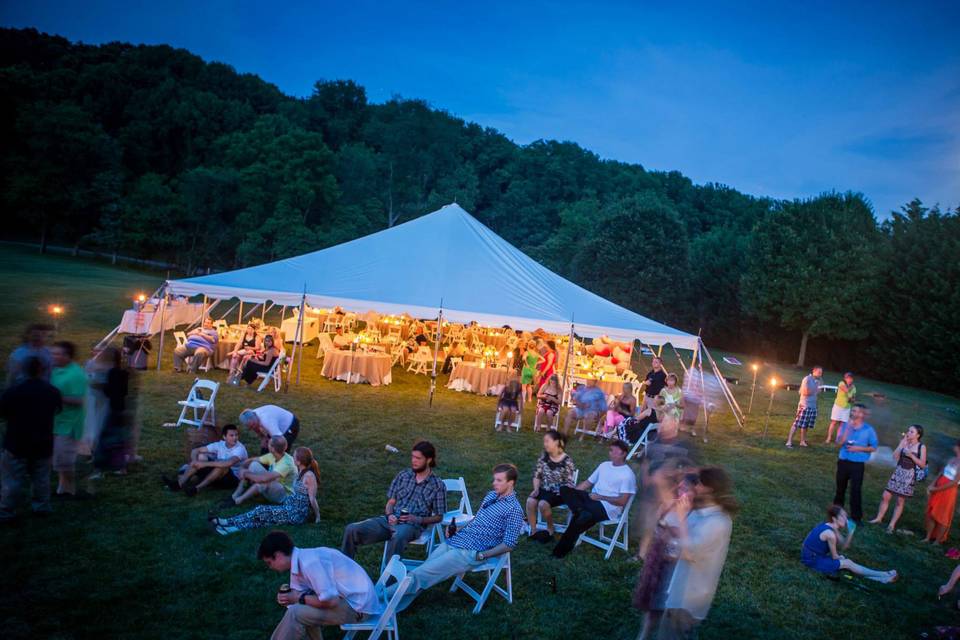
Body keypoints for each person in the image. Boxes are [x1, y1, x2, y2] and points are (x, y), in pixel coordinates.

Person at [387, 463, 525, 612]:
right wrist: (459, 528)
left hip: (471, 551)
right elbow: (477, 520)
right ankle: (392, 606)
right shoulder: (491, 496)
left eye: (499, 480)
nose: (494, 483)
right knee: (423, 571)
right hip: (457, 540)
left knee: (419, 575)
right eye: (494, 479)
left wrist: (482, 555)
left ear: (510, 482)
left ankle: (375, 599)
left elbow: (509, 544)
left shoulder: (514, 510)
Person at [659, 466, 738, 639]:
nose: (695, 486)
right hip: (678, 588)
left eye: (699, 483)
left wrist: (680, 517)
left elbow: (689, 553)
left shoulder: (718, 522)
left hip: (689, 597)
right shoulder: (698, 512)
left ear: (710, 489)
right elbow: (678, 537)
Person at [258, 531, 381, 640]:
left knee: (296, 614)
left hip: (359, 608)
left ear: (278, 555)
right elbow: (298, 596)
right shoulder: (300, 561)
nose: (270, 567)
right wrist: (289, 598)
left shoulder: (310, 564)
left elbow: (331, 602)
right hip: (348, 599)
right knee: (299, 609)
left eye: (269, 562)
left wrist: (297, 597)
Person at [341, 441, 446, 559]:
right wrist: (390, 514)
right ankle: (344, 570)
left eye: (418, 458)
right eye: (413, 457)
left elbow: (439, 517)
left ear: (429, 460)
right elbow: (391, 502)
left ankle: (389, 576)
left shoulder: (437, 485)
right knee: (352, 529)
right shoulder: (403, 476)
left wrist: (417, 519)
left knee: (397, 536)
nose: (413, 461)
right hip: (390, 521)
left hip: (412, 526)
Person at [634, 471, 697, 640]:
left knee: (667, 608)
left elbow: (690, 543)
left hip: (676, 565)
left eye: (687, 488)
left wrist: (671, 531)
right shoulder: (669, 505)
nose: (681, 489)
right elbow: (654, 527)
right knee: (652, 605)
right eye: (681, 485)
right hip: (658, 560)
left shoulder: (695, 515)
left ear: (695, 493)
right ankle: (643, 636)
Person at [0, 357, 62, 522]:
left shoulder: (13, 392)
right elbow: (57, 410)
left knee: (12, 479)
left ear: (23, 370)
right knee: (41, 477)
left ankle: (7, 510)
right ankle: (41, 507)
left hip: (16, 442)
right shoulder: (52, 391)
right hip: (43, 442)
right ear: (42, 370)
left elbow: (3, 413)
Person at [552, 440, 637, 558]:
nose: (611, 454)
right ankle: (578, 509)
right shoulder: (604, 465)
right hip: (591, 499)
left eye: (615, 452)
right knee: (565, 489)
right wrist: (574, 493)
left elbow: (622, 501)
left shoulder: (627, 475)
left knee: (582, 517)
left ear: (623, 454)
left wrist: (601, 497)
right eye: (611, 451)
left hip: (607, 507)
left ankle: (559, 552)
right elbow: (587, 483)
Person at [212, 447, 321, 534]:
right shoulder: (300, 471)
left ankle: (228, 522)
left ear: (298, 461)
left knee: (261, 511)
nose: (292, 457)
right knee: (264, 519)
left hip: (296, 514)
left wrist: (317, 517)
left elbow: (312, 498)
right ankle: (230, 527)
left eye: (294, 456)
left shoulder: (309, 476)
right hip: (289, 507)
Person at [801, 505, 898, 583]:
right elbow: (835, 556)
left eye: (846, 516)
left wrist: (850, 532)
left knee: (846, 562)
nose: (846, 519)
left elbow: (844, 546)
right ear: (835, 519)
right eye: (842, 517)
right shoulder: (830, 534)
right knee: (847, 563)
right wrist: (842, 559)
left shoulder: (831, 527)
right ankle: (883, 575)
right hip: (812, 560)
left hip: (815, 556)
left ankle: (878, 578)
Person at [869, 424, 927, 533]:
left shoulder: (921, 447)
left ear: (918, 435)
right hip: (898, 472)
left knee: (900, 501)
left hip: (909, 476)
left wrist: (911, 455)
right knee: (885, 496)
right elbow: (894, 457)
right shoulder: (904, 443)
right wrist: (901, 444)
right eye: (908, 431)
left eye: (912, 432)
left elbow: (922, 465)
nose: (908, 433)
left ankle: (891, 525)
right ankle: (878, 518)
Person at [162, 424, 249, 496]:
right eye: (231, 435)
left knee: (221, 466)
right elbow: (195, 450)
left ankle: (197, 489)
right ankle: (178, 484)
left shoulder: (239, 449)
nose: (235, 438)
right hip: (217, 476)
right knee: (201, 457)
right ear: (224, 437)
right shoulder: (220, 445)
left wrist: (204, 464)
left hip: (232, 480)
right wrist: (195, 461)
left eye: (236, 435)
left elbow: (228, 463)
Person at [50, 341, 87, 498]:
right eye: (53, 353)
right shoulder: (56, 370)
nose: (54, 356)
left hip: (70, 423)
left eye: (58, 354)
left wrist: (56, 398)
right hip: (56, 421)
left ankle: (69, 490)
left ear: (67, 356)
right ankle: (62, 487)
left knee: (64, 458)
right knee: (58, 457)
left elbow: (81, 401)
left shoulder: (76, 374)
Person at [526, 430, 577, 542]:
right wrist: (535, 489)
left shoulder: (566, 460)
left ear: (556, 442)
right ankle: (533, 530)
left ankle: (550, 527)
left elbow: (569, 482)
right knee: (530, 501)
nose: (545, 444)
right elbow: (537, 475)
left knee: (543, 504)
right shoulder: (544, 457)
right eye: (544, 441)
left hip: (560, 492)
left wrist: (562, 490)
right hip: (545, 489)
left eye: (547, 441)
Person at [832, 404, 878, 525]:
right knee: (840, 488)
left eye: (857, 411)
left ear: (862, 414)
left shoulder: (868, 429)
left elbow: (873, 447)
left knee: (855, 490)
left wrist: (858, 448)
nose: (854, 413)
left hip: (857, 465)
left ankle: (856, 518)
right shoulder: (845, 425)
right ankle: (836, 513)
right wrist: (847, 430)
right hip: (843, 461)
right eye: (853, 410)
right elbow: (838, 443)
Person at [90, 346, 131, 479]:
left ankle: (99, 469)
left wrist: (99, 385)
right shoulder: (124, 372)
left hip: (112, 409)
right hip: (121, 408)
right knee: (118, 439)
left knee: (104, 439)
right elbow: (124, 392)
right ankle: (121, 467)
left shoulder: (112, 372)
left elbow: (110, 392)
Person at [230, 436, 297, 506]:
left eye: (268, 443)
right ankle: (235, 495)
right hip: (273, 485)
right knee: (254, 465)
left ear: (272, 448)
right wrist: (242, 467)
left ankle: (239, 500)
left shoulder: (286, 463)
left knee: (264, 482)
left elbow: (263, 479)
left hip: (283, 495)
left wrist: (245, 473)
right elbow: (252, 460)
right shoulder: (273, 455)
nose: (267, 444)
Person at [925, 439, 960, 544]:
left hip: (948, 491)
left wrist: (936, 489)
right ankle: (928, 537)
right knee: (931, 512)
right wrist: (932, 484)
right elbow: (941, 472)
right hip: (939, 485)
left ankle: (937, 541)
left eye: (956, 445)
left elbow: (955, 482)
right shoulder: (953, 459)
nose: (954, 446)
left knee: (942, 515)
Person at [785, 365, 822, 448]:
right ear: (814, 371)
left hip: (812, 406)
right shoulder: (807, 379)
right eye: (819, 372)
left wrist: (818, 389)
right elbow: (805, 392)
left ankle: (802, 441)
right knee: (797, 423)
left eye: (821, 373)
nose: (820, 374)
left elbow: (817, 393)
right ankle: (789, 441)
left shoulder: (817, 381)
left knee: (805, 425)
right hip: (804, 405)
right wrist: (816, 388)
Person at [825, 372, 857, 444]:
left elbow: (853, 398)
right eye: (848, 378)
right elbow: (846, 390)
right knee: (834, 422)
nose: (850, 380)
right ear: (845, 378)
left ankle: (838, 439)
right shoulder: (841, 383)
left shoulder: (854, 387)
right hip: (838, 406)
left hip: (846, 407)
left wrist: (852, 400)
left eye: (851, 378)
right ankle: (828, 438)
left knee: (842, 424)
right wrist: (850, 389)